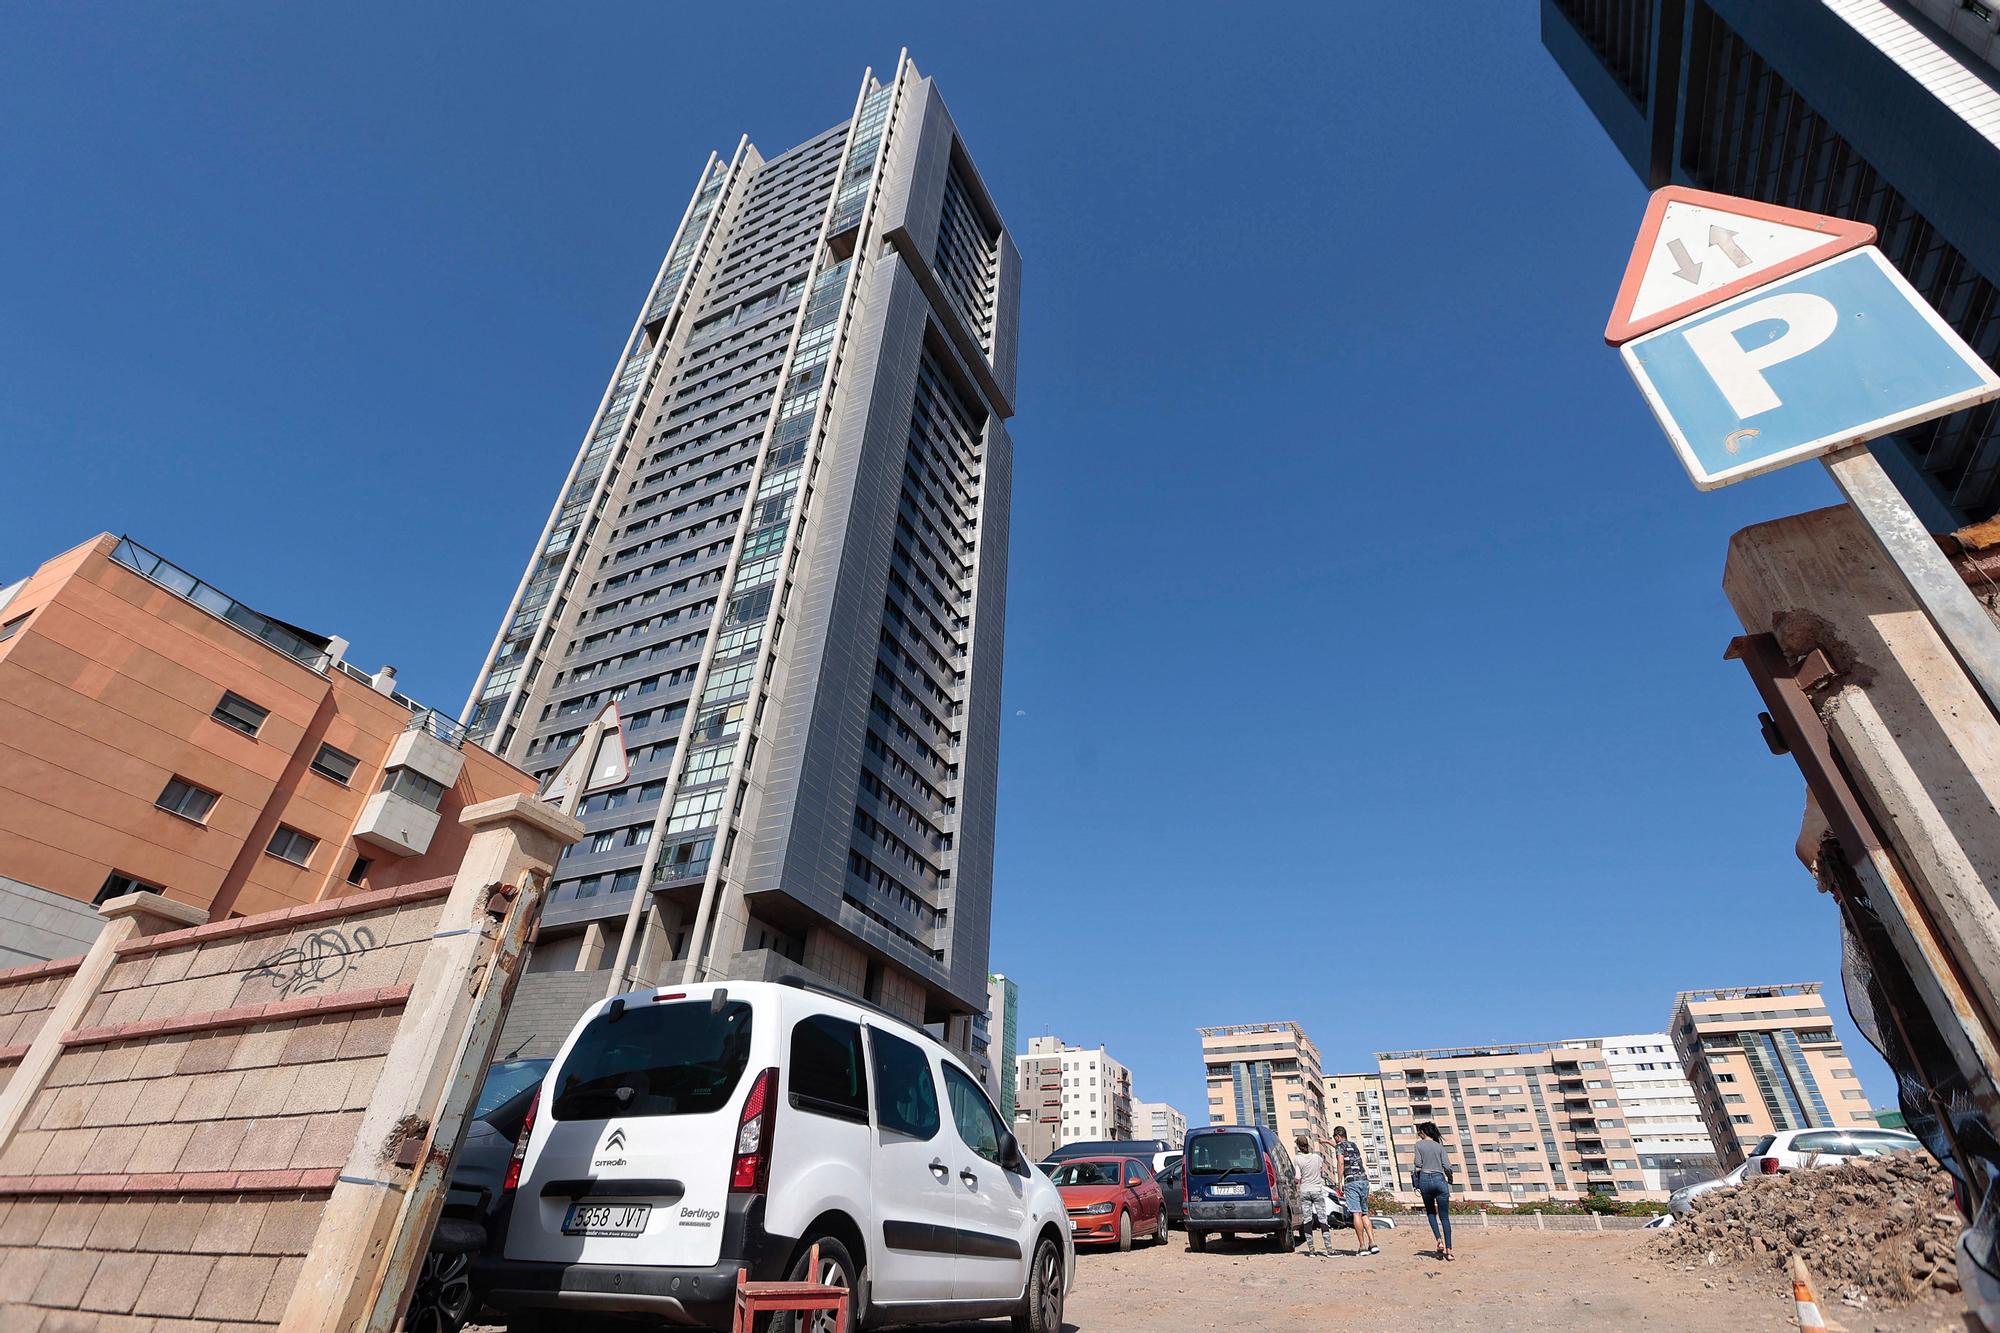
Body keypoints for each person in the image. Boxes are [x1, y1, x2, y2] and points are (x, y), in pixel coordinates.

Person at [1413, 1120, 1455, 1261]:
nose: (1418, 1134)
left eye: (1419, 1132)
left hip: (1425, 1179)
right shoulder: (1439, 1147)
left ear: (1423, 1132)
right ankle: (1449, 1251)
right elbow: (1447, 1166)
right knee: (1445, 1217)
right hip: (1439, 1179)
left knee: (1431, 1212)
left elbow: (1418, 1164)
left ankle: (1439, 1240)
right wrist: (1450, 1178)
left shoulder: (1419, 1145)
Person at [1331, 1125, 1376, 1256]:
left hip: (1352, 1182)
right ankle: (1372, 1243)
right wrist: (1328, 1142)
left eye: (1335, 1138)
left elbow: (1340, 1163)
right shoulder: (1353, 1145)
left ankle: (1362, 1246)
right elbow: (1342, 1149)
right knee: (1364, 1213)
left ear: (1338, 1137)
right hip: (1364, 1180)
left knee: (1356, 1213)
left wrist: (1339, 1182)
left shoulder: (1339, 1146)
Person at [1291, 1134, 1334, 1257]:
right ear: (1308, 1145)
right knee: (1322, 1219)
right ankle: (1329, 1248)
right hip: (1317, 1190)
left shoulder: (1297, 1159)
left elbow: (1298, 1177)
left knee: (1308, 1220)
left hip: (1305, 1191)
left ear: (1298, 1146)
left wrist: (1294, 1181)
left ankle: (1311, 1250)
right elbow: (1321, 1172)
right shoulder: (1317, 1158)